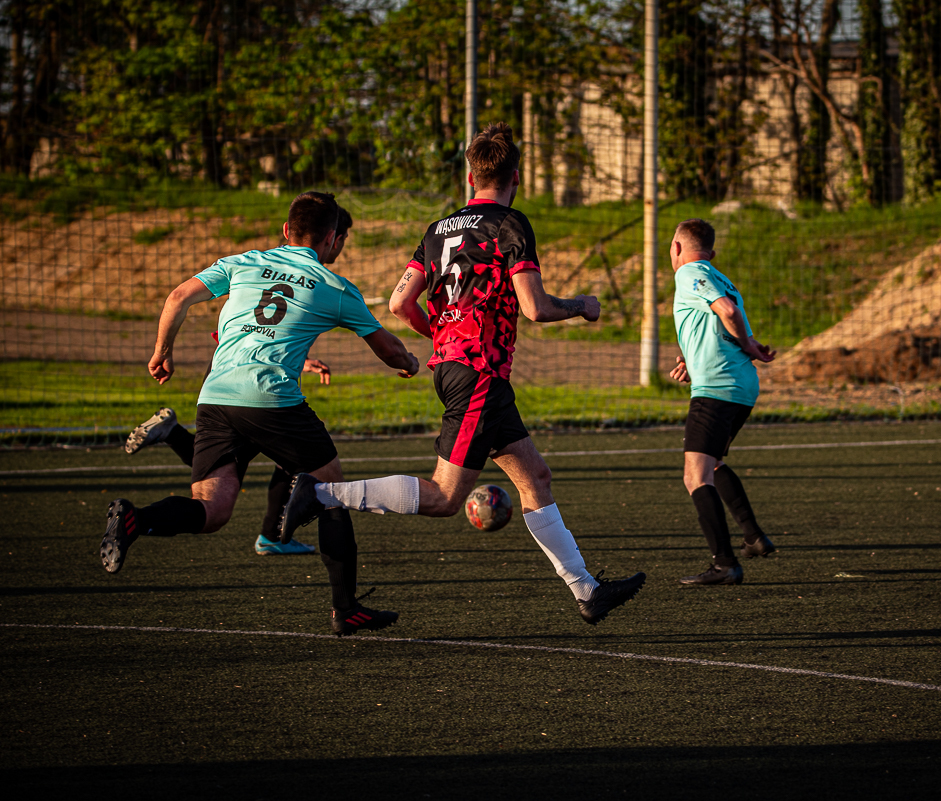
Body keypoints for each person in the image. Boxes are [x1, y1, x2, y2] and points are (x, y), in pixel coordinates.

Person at [280, 122, 646, 626]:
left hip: (464, 370)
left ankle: (587, 590)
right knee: (445, 498)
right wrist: (583, 305)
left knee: (535, 477)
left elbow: (399, 303)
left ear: (471, 177)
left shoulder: (437, 230)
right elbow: (535, 308)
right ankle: (320, 494)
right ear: (515, 177)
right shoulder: (510, 224)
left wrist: (443, 335)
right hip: (478, 375)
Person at [100, 192, 422, 637]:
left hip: (215, 396)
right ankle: (346, 609)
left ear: (286, 231)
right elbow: (388, 349)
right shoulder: (334, 287)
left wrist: (162, 352)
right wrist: (410, 363)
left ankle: (139, 519)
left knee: (212, 510)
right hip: (271, 398)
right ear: (332, 238)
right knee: (331, 489)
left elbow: (177, 297)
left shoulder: (243, 262)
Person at [122, 208, 357, 557]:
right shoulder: (316, 279)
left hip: (222, 379)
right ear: (332, 238)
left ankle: (171, 440)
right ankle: (273, 536)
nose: (340, 247)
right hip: (254, 384)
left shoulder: (255, 264)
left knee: (226, 472)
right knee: (289, 461)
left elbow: (255, 325)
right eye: (342, 238)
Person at [668, 218, 777, 586]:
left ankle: (725, 564)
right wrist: (691, 360)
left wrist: (747, 344)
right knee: (712, 464)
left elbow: (727, 312)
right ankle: (753, 537)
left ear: (676, 248)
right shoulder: (720, 277)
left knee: (695, 475)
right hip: (739, 386)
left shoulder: (689, 272)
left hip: (717, 387)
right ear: (711, 252)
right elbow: (718, 323)